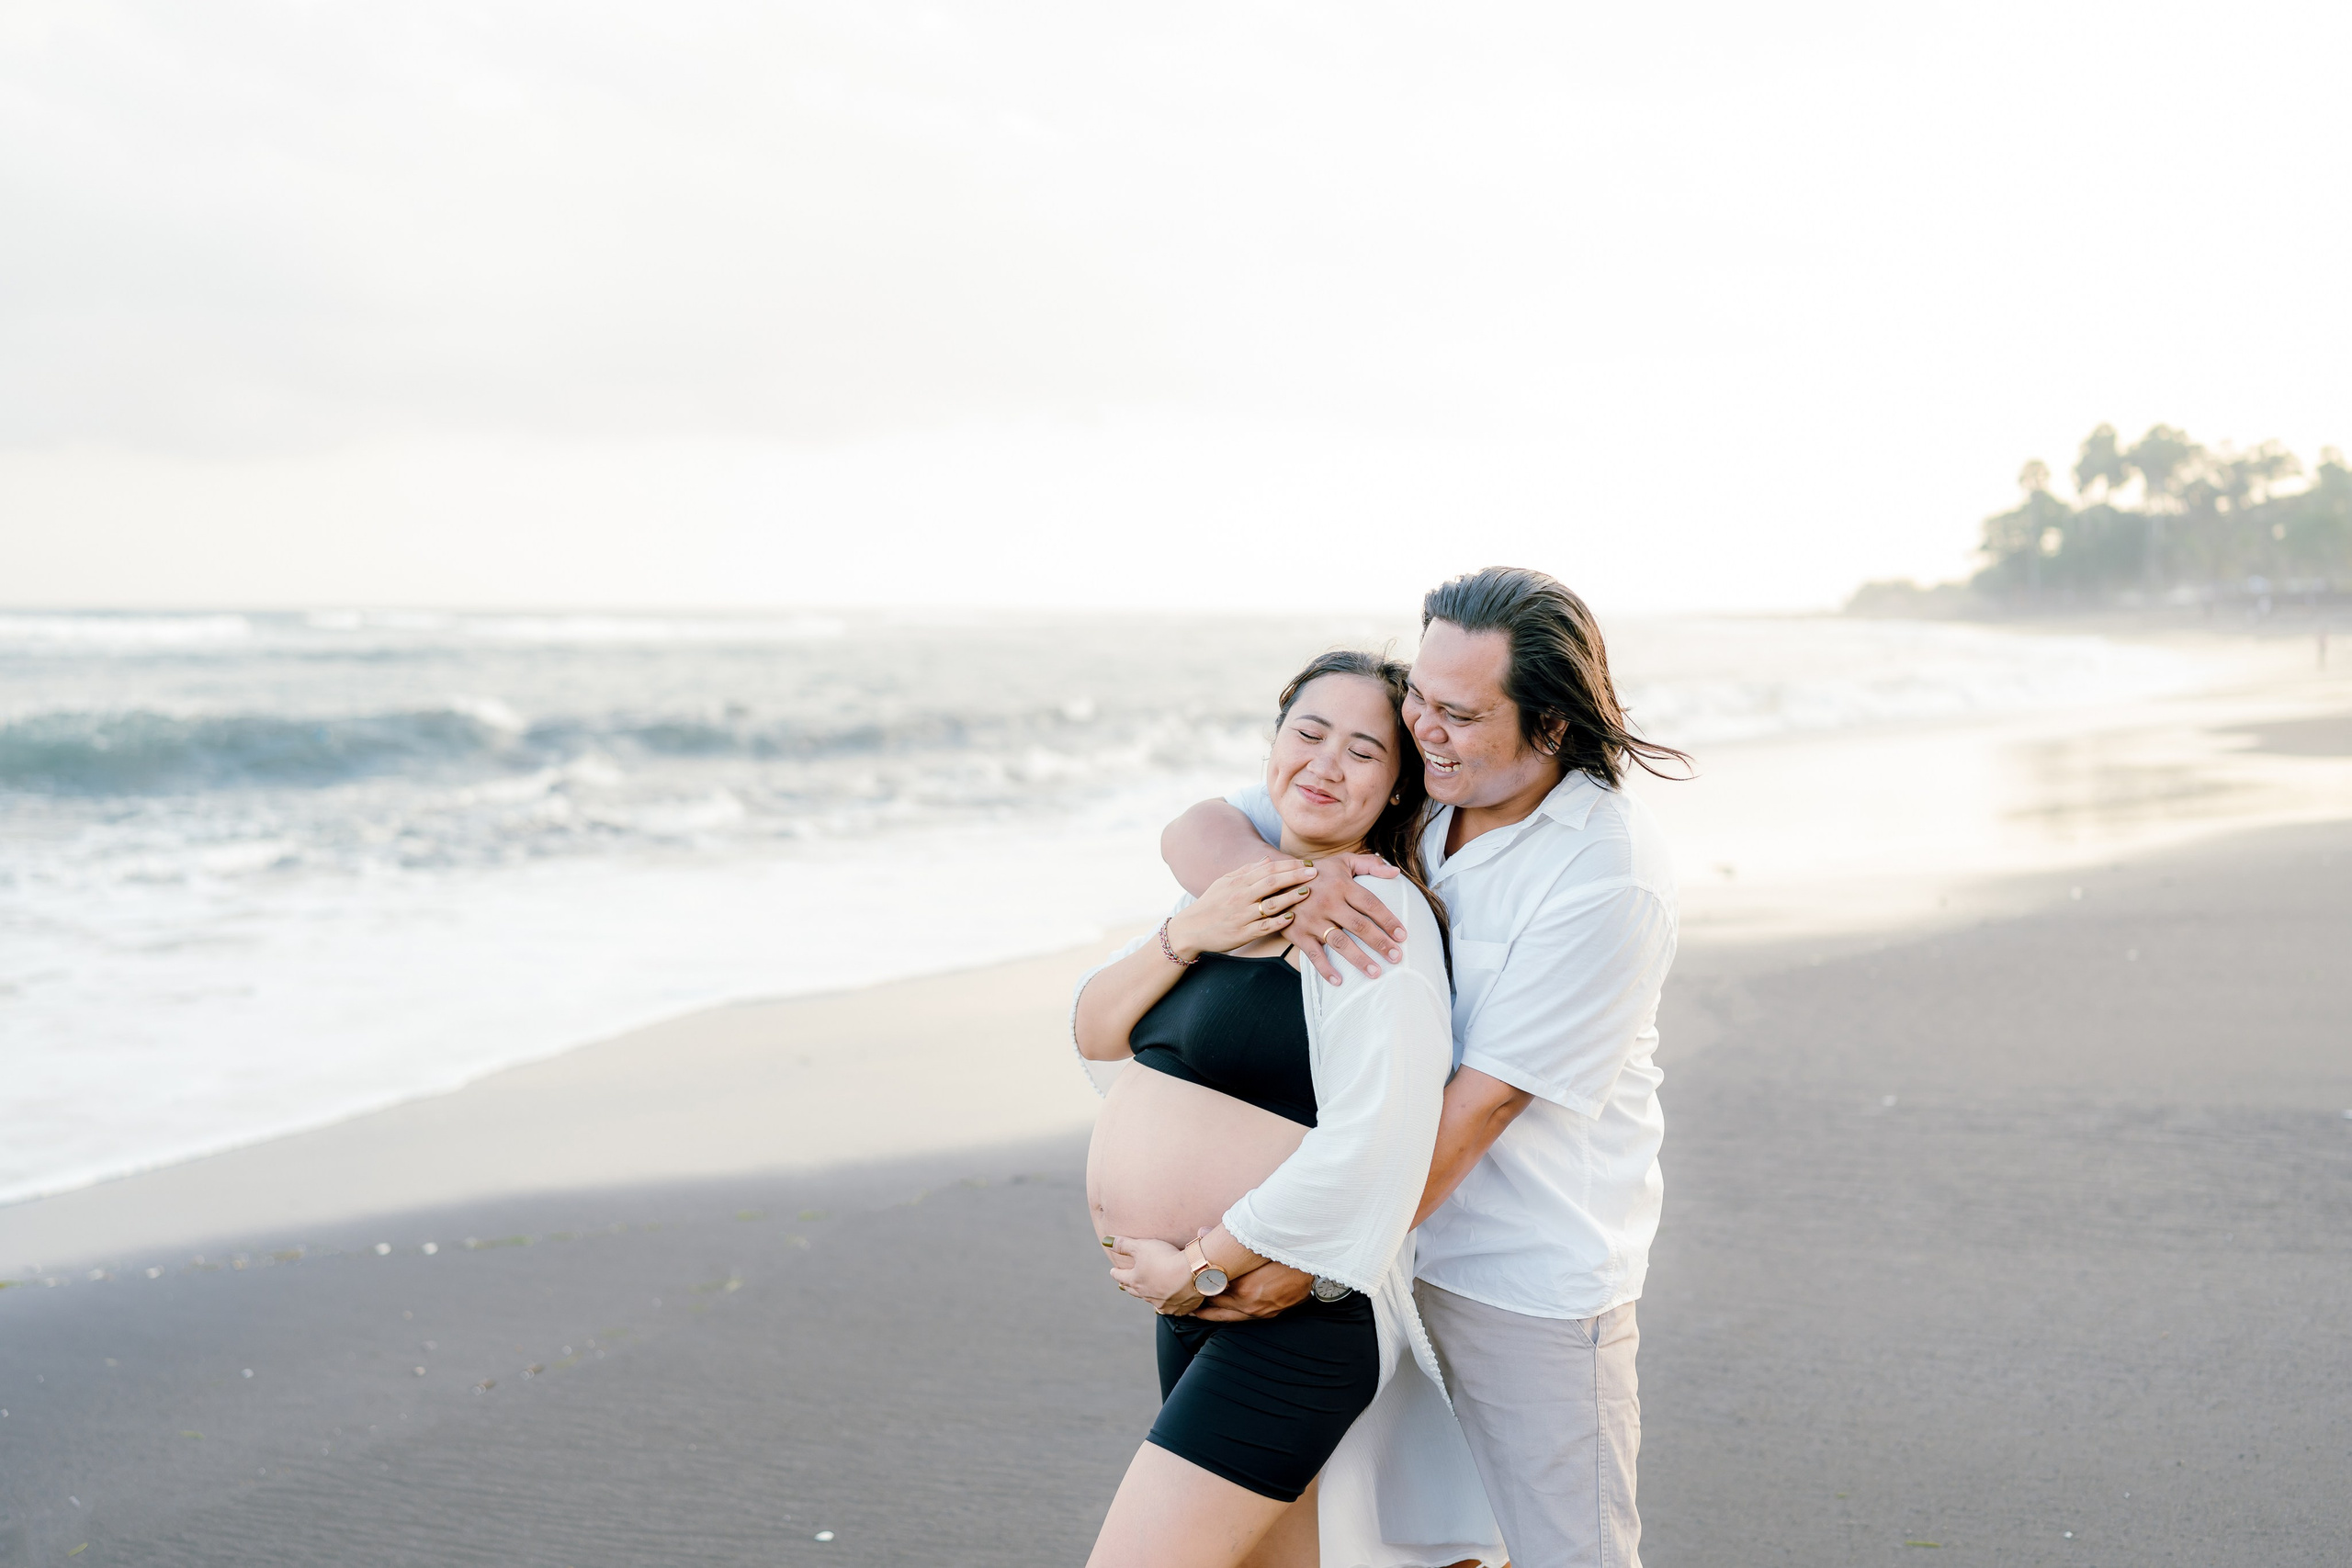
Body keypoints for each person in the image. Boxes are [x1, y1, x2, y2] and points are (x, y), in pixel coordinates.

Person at [1160, 568, 1687, 1568]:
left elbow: (1478, 1109)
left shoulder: (1605, 872)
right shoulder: (1420, 792)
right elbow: (1198, 826)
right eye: (1418, 699)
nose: (1425, 730)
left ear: (1551, 726)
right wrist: (1285, 890)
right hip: (1384, 1262)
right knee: (1408, 1547)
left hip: (1518, 1277)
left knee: (1565, 1552)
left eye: (1461, 714)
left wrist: (1294, 1264)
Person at [1073, 650, 1503, 1568]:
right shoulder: (1230, 891)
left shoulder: (1375, 921)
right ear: (1273, 743)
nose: (1326, 764)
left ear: (1397, 788)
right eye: (1308, 733)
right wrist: (1190, 930)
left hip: (1288, 1321)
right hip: (1193, 1309)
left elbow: (1375, 1147)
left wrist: (1202, 1265)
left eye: (1363, 751)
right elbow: (1096, 1030)